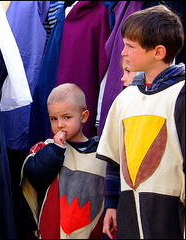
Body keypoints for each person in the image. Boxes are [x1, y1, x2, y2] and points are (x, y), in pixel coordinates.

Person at [96, 5, 185, 239]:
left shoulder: (181, 95)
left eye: (130, 46)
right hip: (128, 209)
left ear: (158, 52)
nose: (123, 52)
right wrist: (111, 205)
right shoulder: (125, 98)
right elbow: (114, 160)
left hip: (170, 211)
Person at [21, 83, 107, 239]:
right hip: (53, 230)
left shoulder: (101, 153)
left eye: (67, 117)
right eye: (54, 119)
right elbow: (34, 174)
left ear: (84, 116)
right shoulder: (48, 148)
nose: (60, 124)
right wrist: (55, 151)